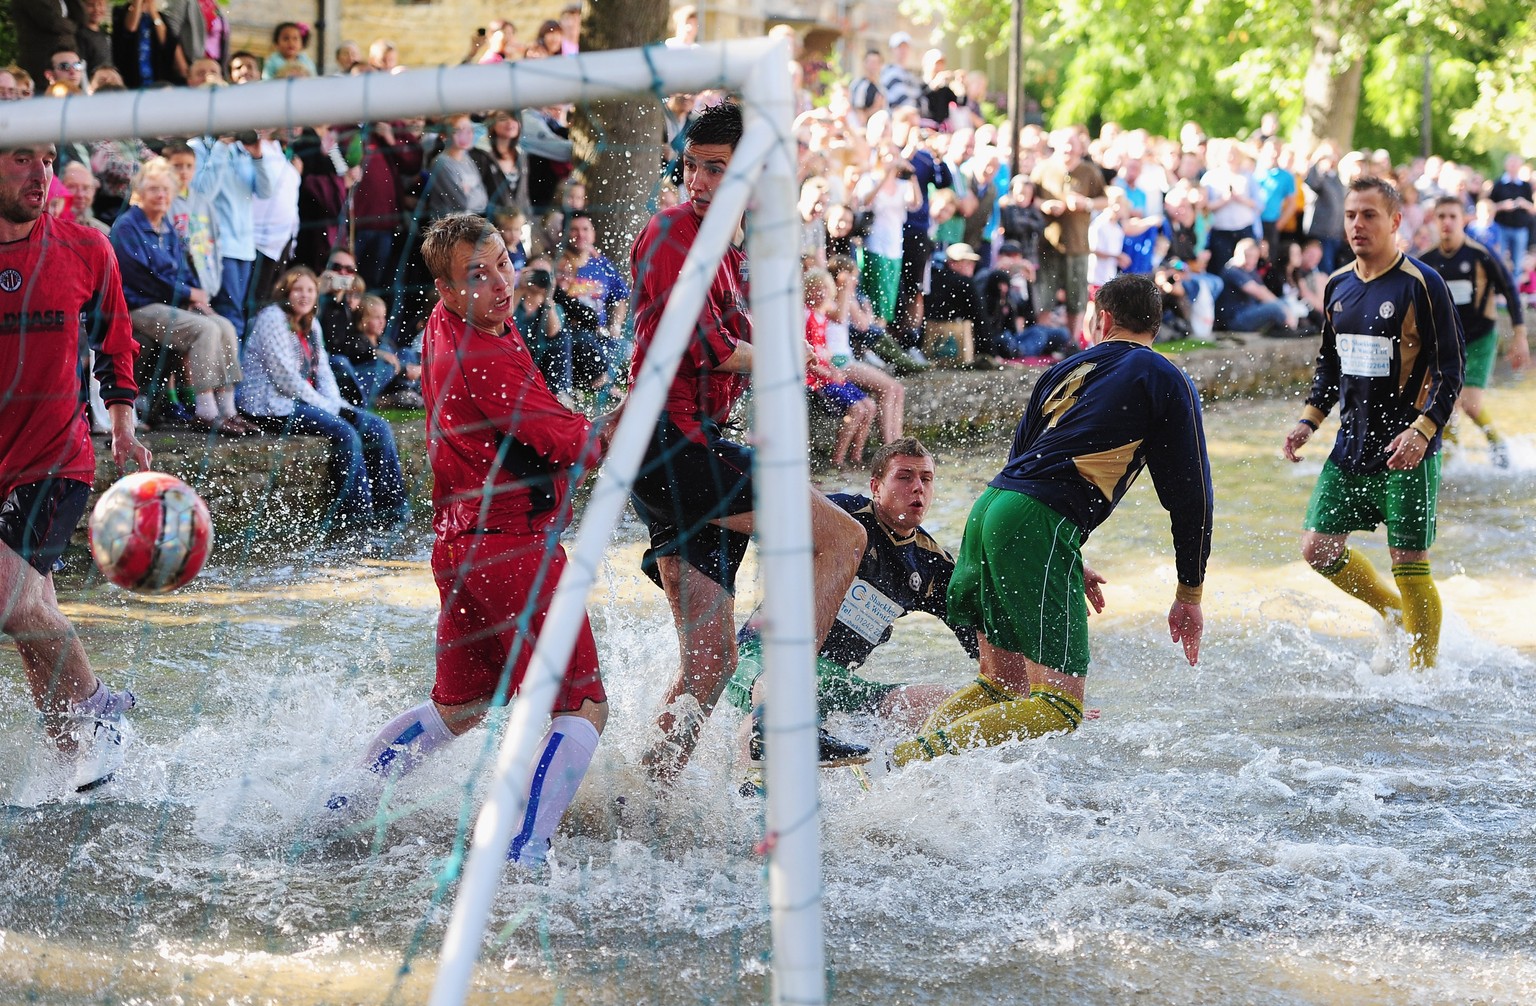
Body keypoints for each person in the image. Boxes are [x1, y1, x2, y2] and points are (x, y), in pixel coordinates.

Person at [329, 213, 610, 867]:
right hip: (511, 548)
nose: (500, 284)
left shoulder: (455, 323)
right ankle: (523, 851)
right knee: (584, 704)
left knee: (462, 705)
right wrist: (643, 409)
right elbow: (579, 445)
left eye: (504, 263)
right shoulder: (479, 357)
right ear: (447, 292)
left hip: (459, 550)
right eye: (477, 276)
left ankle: (345, 802)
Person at [627, 101, 867, 781]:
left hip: (677, 449)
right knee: (843, 539)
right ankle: (782, 714)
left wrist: (802, 355)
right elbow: (702, 345)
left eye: (716, 170)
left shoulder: (726, 253)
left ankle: (639, 795)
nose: (698, 182)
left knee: (709, 668)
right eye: (691, 167)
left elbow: (735, 341)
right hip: (671, 447)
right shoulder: (677, 229)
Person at [893, 273, 1211, 765]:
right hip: (1036, 522)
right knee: (1059, 705)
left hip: (990, 511)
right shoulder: (1166, 378)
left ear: (1102, 320)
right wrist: (1189, 592)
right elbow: (1191, 497)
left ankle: (906, 769)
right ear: (1157, 322)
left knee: (1001, 685)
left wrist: (1064, 554)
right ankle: (908, 762)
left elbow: (1027, 461)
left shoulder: (1062, 370)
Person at [0, 143, 150, 791]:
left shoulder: (87, 248)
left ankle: (101, 712)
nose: (40, 175)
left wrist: (121, 418)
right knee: (33, 629)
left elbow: (117, 334)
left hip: (56, 457)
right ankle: (72, 773)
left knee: (15, 604)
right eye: (20, 159)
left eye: (48, 159)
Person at [1282, 177, 1463, 671]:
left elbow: (1452, 370)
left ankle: (1423, 680)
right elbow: (1330, 363)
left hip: (1411, 447)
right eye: (1351, 215)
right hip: (1352, 444)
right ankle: (1391, 615)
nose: (1358, 225)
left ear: (1396, 222)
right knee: (1317, 548)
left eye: (1369, 215)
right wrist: (1308, 420)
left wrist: (1423, 430)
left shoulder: (1422, 284)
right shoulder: (1338, 285)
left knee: (1408, 562)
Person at [725, 439, 976, 734]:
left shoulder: (930, 564)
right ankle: (760, 757)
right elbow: (759, 520)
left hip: (836, 682)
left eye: (926, 479)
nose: (917, 487)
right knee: (781, 694)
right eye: (904, 477)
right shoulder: (839, 515)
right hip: (761, 658)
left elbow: (981, 635)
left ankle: (898, 769)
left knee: (947, 703)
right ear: (876, 486)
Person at [239, 266, 409, 535]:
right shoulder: (272, 318)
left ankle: (393, 512)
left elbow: (324, 372)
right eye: (298, 290)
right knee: (346, 432)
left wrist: (336, 404)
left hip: (307, 401)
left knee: (377, 427)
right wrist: (329, 408)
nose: (304, 296)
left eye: (309, 290)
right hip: (271, 405)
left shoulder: (311, 322)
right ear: (286, 292)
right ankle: (357, 518)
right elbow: (286, 380)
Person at [110, 158, 253, 435]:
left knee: (223, 324)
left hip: (170, 304)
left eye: (165, 189)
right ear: (140, 192)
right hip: (138, 306)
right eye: (153, 189)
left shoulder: (168, 229)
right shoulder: (127, 227)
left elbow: (183, 270)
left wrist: (196, 298)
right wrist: (187, 293)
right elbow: (142, 276)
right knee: (204, 329)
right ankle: (205, 410)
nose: (161, 195)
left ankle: (228, 410)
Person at [1419, 195, 1529, 468]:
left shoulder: (1480, 254)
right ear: (1434, 220)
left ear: (1463, 220)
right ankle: (1453, 458)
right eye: (1441, 216)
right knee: (1439, 402)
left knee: (1469, 404)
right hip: (1445, 342)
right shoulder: (1426, 260)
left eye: (1452, 216)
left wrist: (1520, 335)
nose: (1447, 222)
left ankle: (1497, 443)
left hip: (1479, 338)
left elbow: (1510, 291)